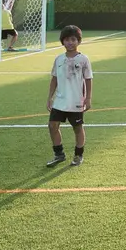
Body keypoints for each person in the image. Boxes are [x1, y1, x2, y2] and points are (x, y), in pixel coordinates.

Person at [45, 25, 92, 167]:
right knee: (52, 126)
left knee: (77, 128)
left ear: (78, 41)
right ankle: (59, 154)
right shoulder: (58, 59)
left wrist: (88, 98)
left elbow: (88, 79)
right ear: (62, 41)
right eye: (67, 40)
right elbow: (54, 79)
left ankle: (78, 155)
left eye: (73, 39)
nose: (70, 42)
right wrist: (49, 97)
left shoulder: (83, 59)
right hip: (60, 100)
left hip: (76, 101)